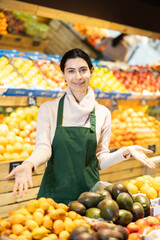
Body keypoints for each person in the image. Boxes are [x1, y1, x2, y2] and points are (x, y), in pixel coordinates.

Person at [5, 48, 155, 205]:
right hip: (54, 197)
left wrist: (125, 152)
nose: (77, 77)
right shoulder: (49, 109)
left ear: (91, 72)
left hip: (90, 198)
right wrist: (29, 163)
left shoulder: (103, 113)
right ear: (63, 74)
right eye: (71, 71)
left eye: (83, 70)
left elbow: (99, 160)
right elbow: (43, 148)